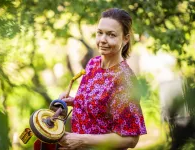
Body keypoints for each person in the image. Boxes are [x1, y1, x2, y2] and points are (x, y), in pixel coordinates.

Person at [58, 8, 147, 150]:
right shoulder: (93, 63)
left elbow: (130, 139)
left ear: (125, 38)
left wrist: (82, 140)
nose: (102, 40)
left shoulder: (125, 80)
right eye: (100, 33)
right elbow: (101, 109)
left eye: (111, 35)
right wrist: (75, 102)